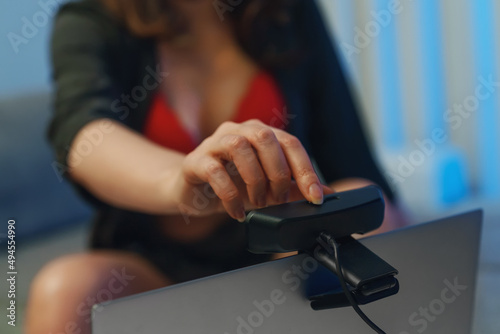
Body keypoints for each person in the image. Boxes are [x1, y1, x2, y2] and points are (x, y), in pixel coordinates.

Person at [25, 0, 406, 332]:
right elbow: (84, 133)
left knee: (369, 212)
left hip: (278, 256)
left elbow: (352, 155)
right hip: (152, 265)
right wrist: (179, 182)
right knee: (65, 289)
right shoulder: (93, 20)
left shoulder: (286, 11)